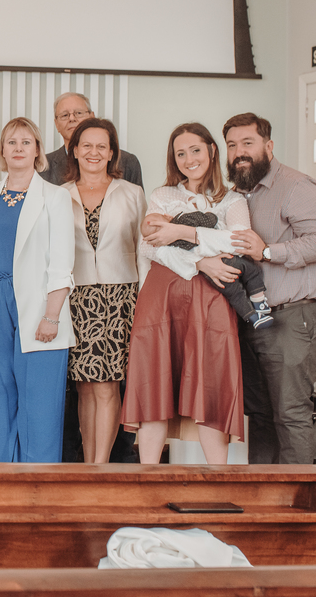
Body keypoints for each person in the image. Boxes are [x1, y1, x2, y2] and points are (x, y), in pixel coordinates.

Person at [123, 123, 247, 465]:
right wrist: (202, 262)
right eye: (180, 153)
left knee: (211, 383)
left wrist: (179, 232)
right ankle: (147, 480)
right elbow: (150, 248)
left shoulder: (233, 200)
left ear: (211, 150)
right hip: (160, 298)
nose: (189, 159)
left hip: (212, 301)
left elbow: (238, 243)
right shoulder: (163, 196)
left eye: (195, 150)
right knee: (154, 382)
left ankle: (218, 481)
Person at [223, 113, 316, 464]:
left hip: (293, 317)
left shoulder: (296, 186)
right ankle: (264, 494)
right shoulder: (237, 195)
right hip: (253, 320)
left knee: (290, 414)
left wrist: (268, 252)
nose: (239, 152)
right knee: (259, 416)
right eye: (232, 145)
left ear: (268, 146)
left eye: (248, 143)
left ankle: (296, 497)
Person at [0, 117, 74, 463]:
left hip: (39, 305)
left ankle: (37, 480)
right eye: (11, 142)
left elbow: (62, 263)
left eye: (26, 142)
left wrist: (52, 316)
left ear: (37, 150)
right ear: (2, 150)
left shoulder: (56, 197)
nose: (18, 148)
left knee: (39, 400)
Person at [46, 93, 142, 463]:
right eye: (86, 145)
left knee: (107, 386)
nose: (94, 152)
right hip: (76, 299)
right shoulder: (59, 196)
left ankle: (100, 468)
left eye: (102, 146)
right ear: (74, 150)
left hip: (120, 298)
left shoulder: (132, 193)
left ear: (112, 152)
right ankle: (89, 465)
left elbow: (145, 251)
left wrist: (145, 300)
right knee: (84, 386)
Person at [44, 93, 143, 189]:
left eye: (78, 113)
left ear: (92, 117)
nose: (72, 118)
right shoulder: (43, 165)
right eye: (65, 115)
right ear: (56, 124)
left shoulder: (128, 162)